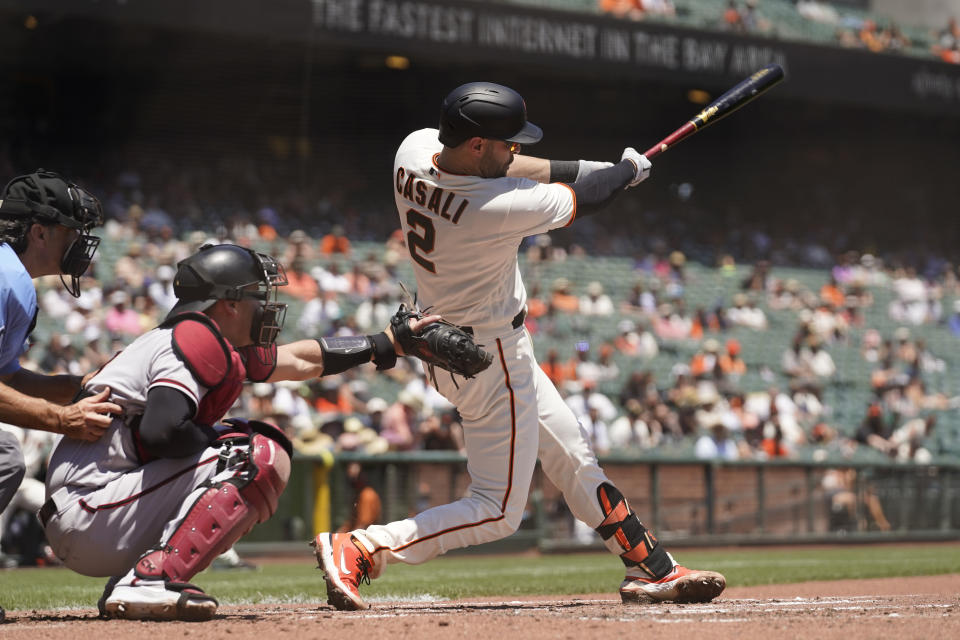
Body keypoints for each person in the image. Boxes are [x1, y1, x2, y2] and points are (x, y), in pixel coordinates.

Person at [313, 82, 724, 611]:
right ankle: (363, 546)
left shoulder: (414, 149)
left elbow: (518, 168)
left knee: (572, 454)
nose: (515, 151)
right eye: (506, 142)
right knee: (497, 509)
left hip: (449, 340)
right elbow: (584, 201)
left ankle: (651, 567)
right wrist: (623, 175)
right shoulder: (494, 206)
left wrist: (593, 167)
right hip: (489, 357)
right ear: (478, 145)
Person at [40, 243, 438, 621]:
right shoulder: (194, 336)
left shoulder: (199, 338)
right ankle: (151, 580)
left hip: (94, 508)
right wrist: (217, 441)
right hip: (90, 507)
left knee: (245, 443)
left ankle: (138, 579)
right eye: (255, 296)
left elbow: (298, 360)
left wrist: (382, 344)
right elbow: (161, 431)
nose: (264, 306)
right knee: (255, 454)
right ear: (228, 304)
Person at [0, 170, 119, 617]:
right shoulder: (2, 276)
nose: (80, 242)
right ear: (39, 231)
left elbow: (5, 377)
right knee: (4, 455)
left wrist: (75, 389)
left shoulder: (14, 277)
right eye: (72, 231)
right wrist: (62, 420)